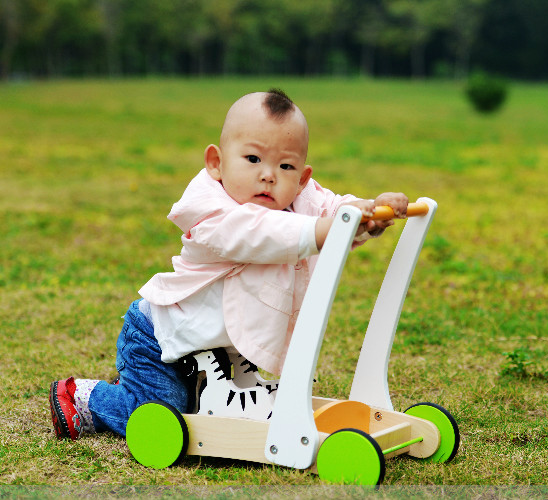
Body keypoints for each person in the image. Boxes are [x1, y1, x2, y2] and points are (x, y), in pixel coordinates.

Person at [49, 89, 408, 440]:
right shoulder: (210, 212)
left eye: (285, 166)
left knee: (195, 407)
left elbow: (332, 210)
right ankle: (82, 396)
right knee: (165, 414)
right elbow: (257, 233)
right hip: (157, 338)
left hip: (212, 350)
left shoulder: (298, 199)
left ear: (302, 178)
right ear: (216, 163)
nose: (269, 174)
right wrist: (321, 231)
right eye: (253, 159)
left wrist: (366, 210)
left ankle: (143, 386)